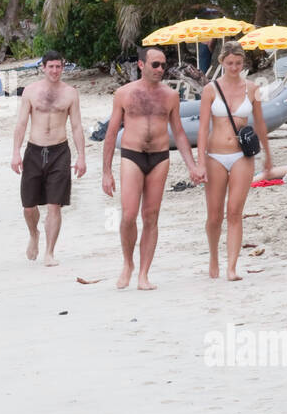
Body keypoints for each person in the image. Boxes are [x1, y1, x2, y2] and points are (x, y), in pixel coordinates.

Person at [102, 46, 205, 290]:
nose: (161, 69)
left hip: (159, 157)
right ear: (141, 65)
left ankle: (144, 274)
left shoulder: (170, 96)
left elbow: (179, 133)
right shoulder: (124, 94)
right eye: (155, 65)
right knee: (128, 215)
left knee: (151, 216)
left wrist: (193, 165)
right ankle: (128, 264)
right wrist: (106, 172)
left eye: (163, 65)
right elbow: (111, 133)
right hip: (132, 155)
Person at [198, 43, 272, 282]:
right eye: (229, 63)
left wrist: (268, 153)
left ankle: (231, 267)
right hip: (215, 155)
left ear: (243, 63)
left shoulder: (253, 89)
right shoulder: (210, 89)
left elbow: (260, 123)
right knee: (214, 215)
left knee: (234, 212)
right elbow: (201, 129)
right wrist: (200, 162)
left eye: (238, 63)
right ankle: (213, 257)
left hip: (242, 155)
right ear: (222, 62)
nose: (234, 67)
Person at [11, 51, 87, 267]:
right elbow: (21, 123)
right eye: (51, 66)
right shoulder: (30, 91)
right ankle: (34, 234)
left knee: (55, 205)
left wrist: (81, 156)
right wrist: (16, 152)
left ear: (63, 68)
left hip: (59, 152)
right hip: (34, 151)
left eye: (59, 67)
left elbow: (77, 126)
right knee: (28, 206)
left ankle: (50, 252)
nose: (55, 71)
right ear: (43, 67)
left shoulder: (70, 93)